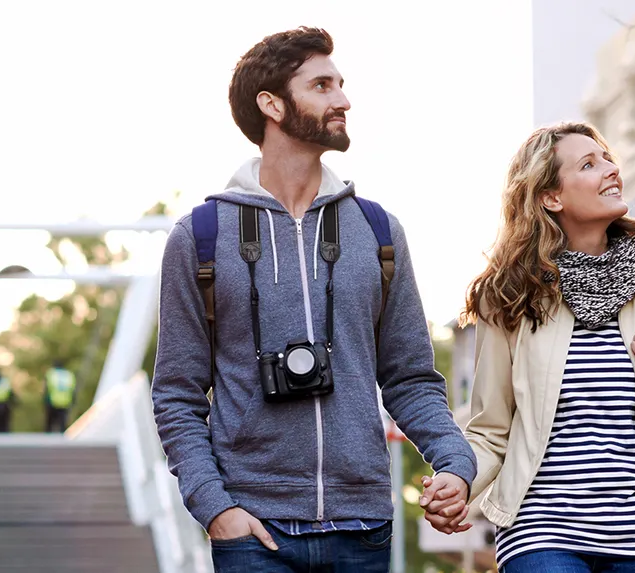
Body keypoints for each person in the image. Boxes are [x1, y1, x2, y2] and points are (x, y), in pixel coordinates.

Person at [151, 26, 476, 573]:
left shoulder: (377, 231)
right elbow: (177, 395)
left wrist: (455, 460)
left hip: (363, 529)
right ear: (271, 104)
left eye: (341, 85)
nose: (343, 100)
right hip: (254, 532)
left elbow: (411, 377)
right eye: (322, 85)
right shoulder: (201, 236)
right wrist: (215, 508)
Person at [421, 122, 635, 573]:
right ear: (551, 197)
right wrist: (458, 479)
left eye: (607, 159)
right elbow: (491, 430)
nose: (611, 170)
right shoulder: (510, 296)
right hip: (540, 533)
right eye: (589, 164)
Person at [45, 360, 77, 433]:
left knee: (49, 424)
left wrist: (45, 401)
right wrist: (73, 401)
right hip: (66, 402)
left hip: (53, 401)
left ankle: (47, 441)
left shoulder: (51, 373)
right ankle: (63, 441)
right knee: (63, 425)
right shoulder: (69, 375)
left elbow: (47, 388)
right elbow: (73, 390)